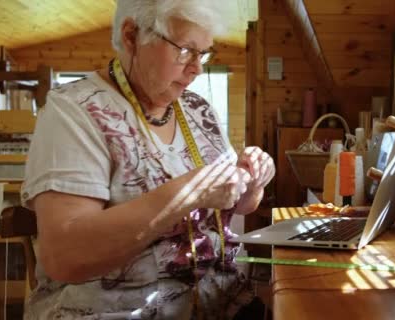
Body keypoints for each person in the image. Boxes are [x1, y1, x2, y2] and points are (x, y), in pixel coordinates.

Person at [21, 0, 275, 319]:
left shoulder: (197, 110)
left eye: (204, 53)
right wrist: (189, 192)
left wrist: (252, 184)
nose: (197, 67)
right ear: (131, 36)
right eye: (185, 49)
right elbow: (66, 256)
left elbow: (235, 207)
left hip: (222, 301)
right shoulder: (74, 113)